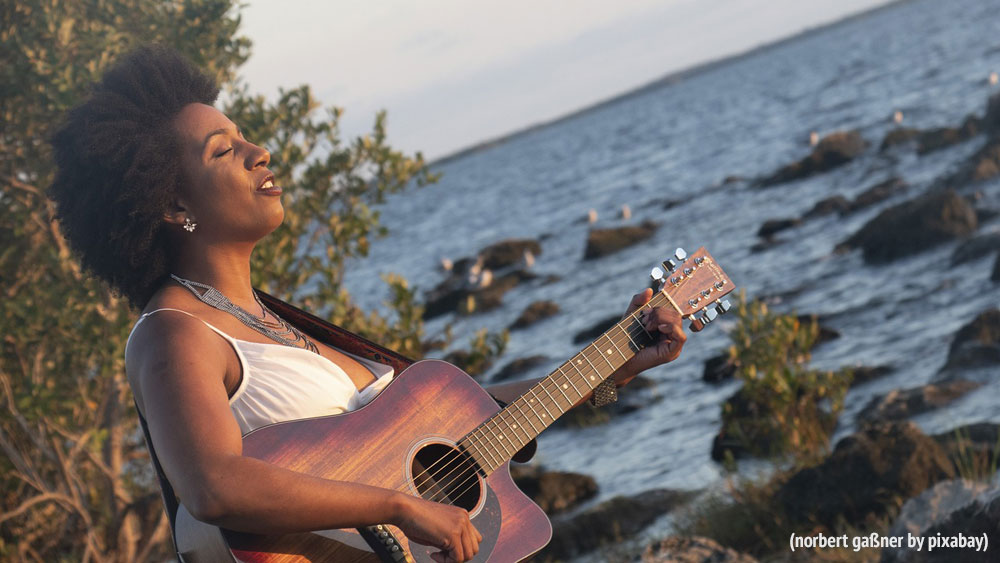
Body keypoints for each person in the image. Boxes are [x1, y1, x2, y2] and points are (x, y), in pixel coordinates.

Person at [48, 45, 686, 563]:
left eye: (243, 137)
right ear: (171, 205)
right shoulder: (174, 334)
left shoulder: (272, 318)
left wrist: (620, 359)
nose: (258, 152)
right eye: (223, 150)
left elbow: (464, 424)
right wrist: (399, 508)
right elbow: (212, 485)